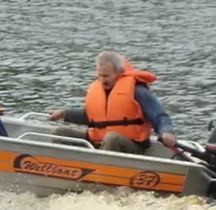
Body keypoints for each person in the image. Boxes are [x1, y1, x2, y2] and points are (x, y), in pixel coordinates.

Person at [47, 51, 177, 154]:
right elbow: (93, 117)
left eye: (107, 76)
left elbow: (159, 116)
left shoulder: (138, 91)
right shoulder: (99, 88)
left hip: (130, 145)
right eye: (100, 76)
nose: (103, 80)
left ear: (119, 72)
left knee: (112, 138)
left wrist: (167, 132)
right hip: (99, 141)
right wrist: (64, 113)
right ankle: (69, 171)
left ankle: (99, 174)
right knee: (59, 133)